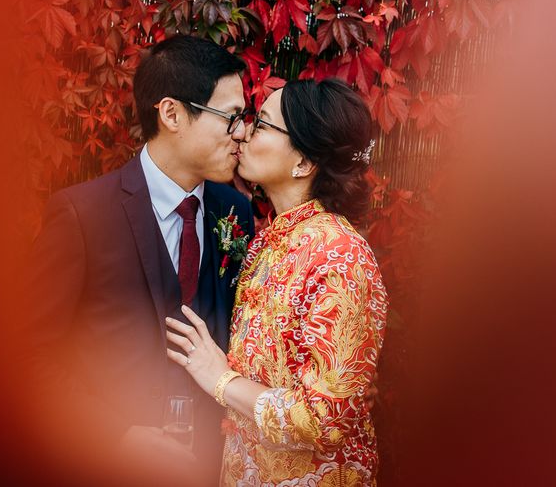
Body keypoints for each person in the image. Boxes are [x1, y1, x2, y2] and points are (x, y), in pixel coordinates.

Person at [28, 35, 254, 483]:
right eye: (230, 117)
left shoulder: (237, 211)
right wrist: (116, 435)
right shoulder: (81, 215)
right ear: (172, 114)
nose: (242, 132)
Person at [166, 77, 389, 486]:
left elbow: (324, 422)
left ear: (303, 162)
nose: (244, 133)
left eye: (263, 124)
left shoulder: (339, 255)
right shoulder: (269, 239)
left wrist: (221, 379)